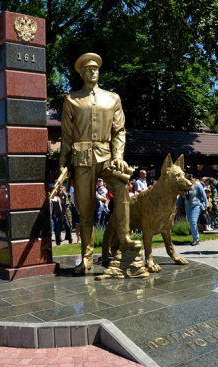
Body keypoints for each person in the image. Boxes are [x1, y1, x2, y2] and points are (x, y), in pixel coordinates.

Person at [59, 52, 142, 274]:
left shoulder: (113, 98)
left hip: (107, 156)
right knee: (85, 211)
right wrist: (62, 164)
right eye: (88, 69)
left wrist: (118, 156)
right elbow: (66, 136)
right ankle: (86, 259)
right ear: (81, 73)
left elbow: (119, 131)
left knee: (122, 187)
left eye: (95, 68)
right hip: (82, 158)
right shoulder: (72, 99)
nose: (92, 71)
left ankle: (124, 239)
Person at [176, 174, 208, 246]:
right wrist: (176, 206)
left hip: (196, 205)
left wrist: (206, 204)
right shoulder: (183, 186)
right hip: (188, 206)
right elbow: (181, 197)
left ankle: (195, 239)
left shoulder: (197, 185)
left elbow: (203, 194)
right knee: (191, 222)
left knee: (193, 221)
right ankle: (195, 237)